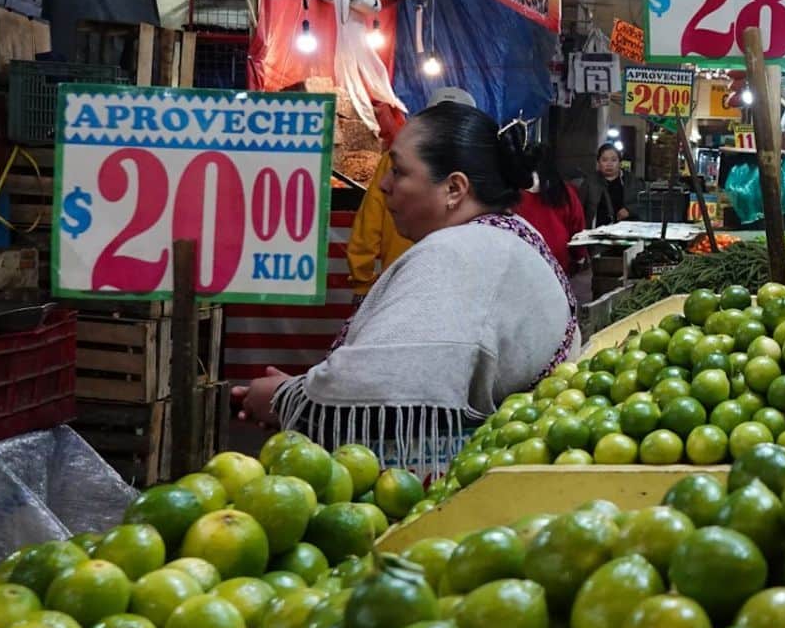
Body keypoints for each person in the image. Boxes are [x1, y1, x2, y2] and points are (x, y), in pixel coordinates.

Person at [233, 101, 580, 472]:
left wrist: (285, 398)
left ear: (454, 188)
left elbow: (381, 384)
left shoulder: (459, 254)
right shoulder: (507, 233)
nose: (383, 185)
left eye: (398, 171)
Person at [347, 86, 475, 299]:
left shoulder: (396, 159)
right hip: (456, 288)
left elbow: (368, 224)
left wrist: (363, 282)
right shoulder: (477, 167)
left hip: (402, 283)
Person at [513, 139, 587, 272]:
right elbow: (577, 226)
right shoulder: (564, 191)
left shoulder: (513, 192)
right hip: (557, 260)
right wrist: (579, 256)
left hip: (521, 259)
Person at [589, 141, 646, 225]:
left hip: (626, 230)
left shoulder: (632, 181)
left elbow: (644, 205)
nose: (609, 164)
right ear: (598, 163)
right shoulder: (590, 182)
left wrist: (629, 210)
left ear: (620, 162)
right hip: (597, 231)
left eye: (614, 160)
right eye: (604, 160)